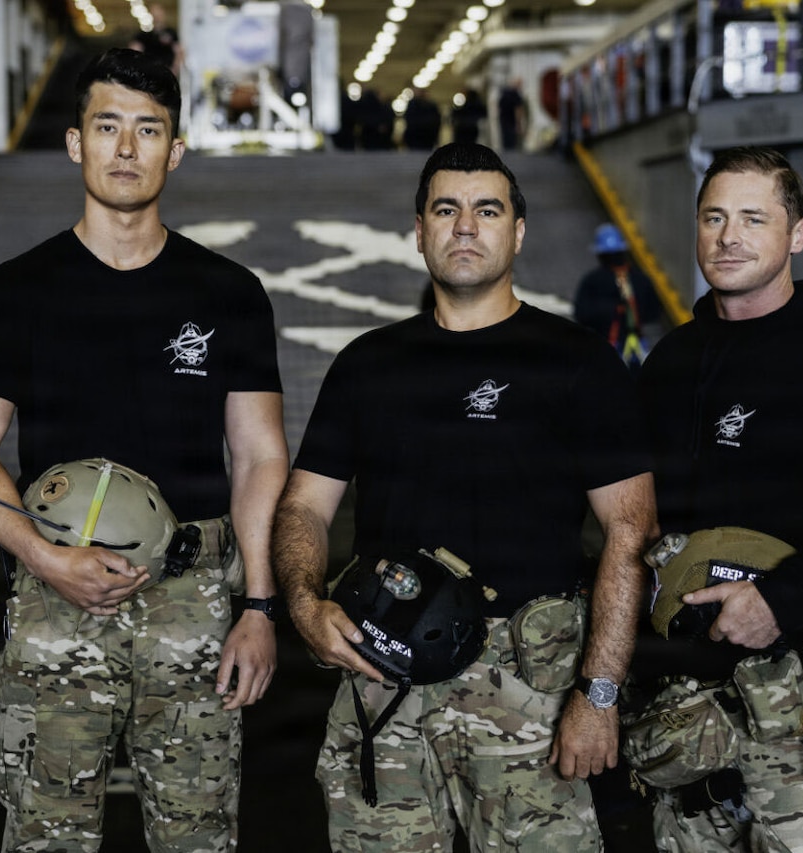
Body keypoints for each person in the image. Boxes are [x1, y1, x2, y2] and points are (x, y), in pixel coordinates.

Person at [0, 48, 288, 852]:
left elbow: (261, 455)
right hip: (53, 596)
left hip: (194, 599)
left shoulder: (228, 294)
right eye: (107, 127)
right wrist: (41, 557)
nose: (126, 149)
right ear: (75, 144)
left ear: (175, 150)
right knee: (45, 835)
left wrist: (260, 605)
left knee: (199, 836)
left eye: (148, 130)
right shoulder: (13, 291)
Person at [272, 142, 655, 852]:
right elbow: (303, 507)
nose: (466, 227)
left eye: (488, 210)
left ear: (518, 230)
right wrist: (303, 605)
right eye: (446, 209)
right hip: (383, 679)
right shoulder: (368, 364)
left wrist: (598, 694)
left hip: (529, 693)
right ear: (419, 230)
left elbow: (631, 533)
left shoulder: (576, 363)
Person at [637, 146, 803, 851]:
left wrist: (781, 600)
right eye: (713, 217)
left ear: (796, 233)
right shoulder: (669, 366)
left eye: (752, 217)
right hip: (684, 714)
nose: (728, 236)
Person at [572, 222, 664, 370]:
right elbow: (653, 312)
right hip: (636, 351)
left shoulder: (592, 281)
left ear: (600, 254)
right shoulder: (641, 280)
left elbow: (581, 314)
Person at [129, 3, 183, 76]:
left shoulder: (171, 33)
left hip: (167, 72)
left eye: (159, 13)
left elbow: (179, 52)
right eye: (154, 14)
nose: (157, 17)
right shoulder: (143, 35)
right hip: (149, 73)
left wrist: (174, 69)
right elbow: (134, 51)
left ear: (163, 14)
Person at [497, 79, 526, 151]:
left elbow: (499, 106)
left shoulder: (504, 93)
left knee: (505, 141)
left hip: (503, 119)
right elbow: (518, 110)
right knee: (512, 143)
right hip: (512, 121)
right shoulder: (516, 95)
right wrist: (518, 123)